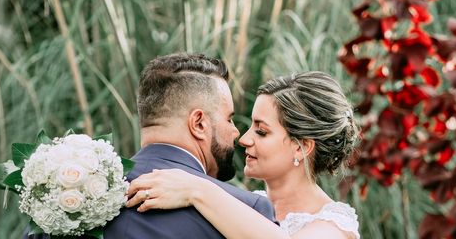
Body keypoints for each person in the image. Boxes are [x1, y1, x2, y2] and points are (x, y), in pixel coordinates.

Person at [126, 71, 360, 239]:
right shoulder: (240, 201)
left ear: (301, 147)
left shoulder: (334, 223)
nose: (244, 139)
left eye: (261, 131)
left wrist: (196, 189)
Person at [103, 52, 276, 238]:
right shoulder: (247, 212)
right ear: (199, 124)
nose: (236, 133)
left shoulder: (83, 192)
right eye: (229, 119)